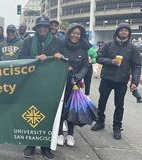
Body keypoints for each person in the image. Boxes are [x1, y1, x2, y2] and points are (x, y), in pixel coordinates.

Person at [19, 16, 64, 160]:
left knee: (48, 113)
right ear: (36, 28)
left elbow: (67, 59)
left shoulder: (58, 42)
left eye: (45, 26)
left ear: (49, 28)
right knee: (30, 113)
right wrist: (35, 57)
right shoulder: (28, 42)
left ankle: (45, 146)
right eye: (40, 27)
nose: (42, 29)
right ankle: (30, 144)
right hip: (32, 83)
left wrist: (60, 56)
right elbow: (21, 58)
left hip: (51, 84)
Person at [91, 23, 141, 140]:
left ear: (129, 33)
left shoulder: (132, 48)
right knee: (102, 101)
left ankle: (117, 127)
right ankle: (100, 121)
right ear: (117, 32)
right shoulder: (108, 44)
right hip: (107, 79)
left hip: (122, 81)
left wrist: (135, 81)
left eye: (126, 30)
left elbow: (137, 65)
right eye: (121, 30)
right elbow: (99, 58)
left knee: (119, 105)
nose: (124, 32)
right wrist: (111, 61)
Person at [57, 23, 91, 147]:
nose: (75, 35)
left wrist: (77, 77)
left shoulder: (83, 49)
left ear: (81, 35)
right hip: (60, 82)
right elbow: (56, 60)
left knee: (73, 108)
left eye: (78, 33)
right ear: (69, 33)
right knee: (61, 107)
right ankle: (59, 133)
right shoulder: (62, 46)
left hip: (74, 83)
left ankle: (70, 134)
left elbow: (86, 66)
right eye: (73, 32)